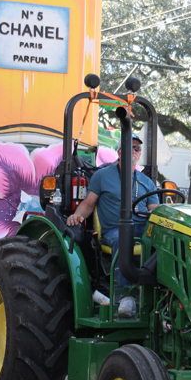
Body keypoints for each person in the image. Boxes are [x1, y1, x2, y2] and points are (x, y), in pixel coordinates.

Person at [66, 135, 159, 318]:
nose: (134, 150)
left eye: (137, 148)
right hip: (114, 230)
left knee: (167, 241)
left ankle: (159, 291)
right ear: (119, 152)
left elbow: (154, 210)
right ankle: (125, 297)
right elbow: (89, 203)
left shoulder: (146, 182)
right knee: (123, 239)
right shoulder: (103, 176)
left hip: (142, 227)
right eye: (129, 147)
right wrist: (76, 216)